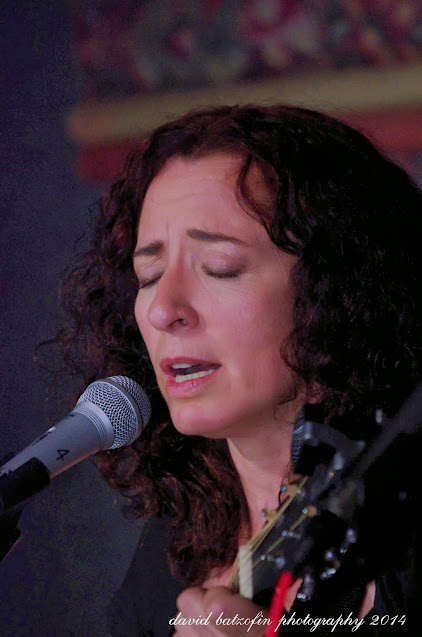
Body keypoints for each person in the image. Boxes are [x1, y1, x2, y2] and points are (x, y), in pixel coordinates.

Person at [58, 104, 421, 635]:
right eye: (149, 274)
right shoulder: (169, 561)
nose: (163, 311)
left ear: (338, 288)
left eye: (220, 268)